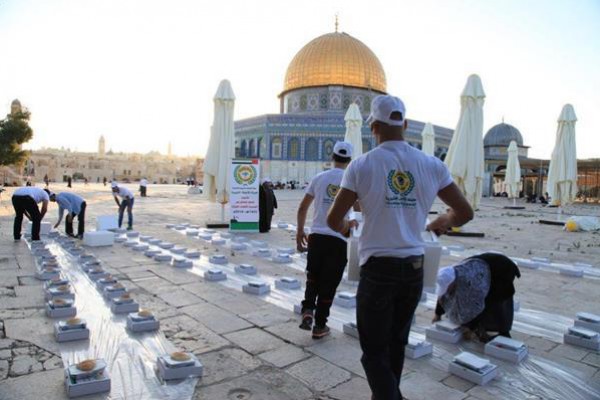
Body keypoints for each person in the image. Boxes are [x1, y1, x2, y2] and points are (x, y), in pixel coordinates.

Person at [327, 95, 474, 400]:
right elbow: (464, 212)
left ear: (373, 127)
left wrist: (346, 229)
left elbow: (332, 219)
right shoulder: (432, 165)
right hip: (414, 268)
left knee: (373, 351)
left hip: (378, 270)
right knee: (396, 342)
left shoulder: (361, 165)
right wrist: (443, 220)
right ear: (405, 124)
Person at [296, 141, 357, 339]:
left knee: (313, 276)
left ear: (332, 157)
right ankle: (320, 325)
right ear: (350, 160)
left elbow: (303, 208)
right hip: (338, 238)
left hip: (316, 236)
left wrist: (300, 232)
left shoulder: (319, 178)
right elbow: (360, 211)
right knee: (328, 284)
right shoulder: (352, 181)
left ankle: (307, 310)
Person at [433, 252, 521, 342]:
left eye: (447, 288)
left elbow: (478, 305)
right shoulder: (450, 274)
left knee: (495, 301)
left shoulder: (471, 282)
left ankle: (504, 332)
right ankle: (479, 327)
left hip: (502, 270)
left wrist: (470, 328)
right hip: (484, 269)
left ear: (453, 282)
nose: (447, 291)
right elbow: (443, 296)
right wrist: (437, 314)